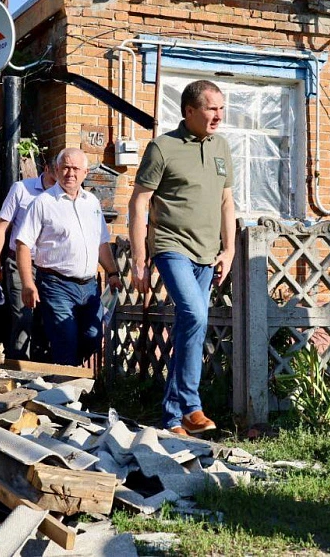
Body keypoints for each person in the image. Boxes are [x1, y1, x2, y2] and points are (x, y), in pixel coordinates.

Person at [128, 79, 235, 437]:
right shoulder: (163, 148)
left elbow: (227, 201)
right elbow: (139, 202)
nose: (218, 115)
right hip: (171, 246)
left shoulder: (221, 147)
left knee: (192, 326)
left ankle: (173, 416)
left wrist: (229, 249)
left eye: (221, 108)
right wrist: (139, 259)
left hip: (207, 252)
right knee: (194, 314)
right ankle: (191, 406)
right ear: (189, 111)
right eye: (211, 109)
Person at [16, 148, 124, 366]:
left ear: (85, 172)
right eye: (65, 168)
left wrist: (112, 272)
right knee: (65, 339)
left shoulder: (92, 202)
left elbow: (101, 242)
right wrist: (27, 283)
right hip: (56, 284)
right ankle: (64, 382)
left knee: (93, 337)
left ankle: (62, 372)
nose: (70, 173)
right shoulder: (43, 202)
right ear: (56, 170)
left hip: (89, 286)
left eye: (75, 168)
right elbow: (23, 244)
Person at [0, 154, 57, 360]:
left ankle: (43, 367)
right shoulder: (21, 189)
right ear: (47, 168)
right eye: (56, 173)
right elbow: (1, 227)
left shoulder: (64, 194)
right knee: (23, 316)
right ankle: (19, 367)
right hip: (20, 262)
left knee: (48, 319)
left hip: (51, 267)